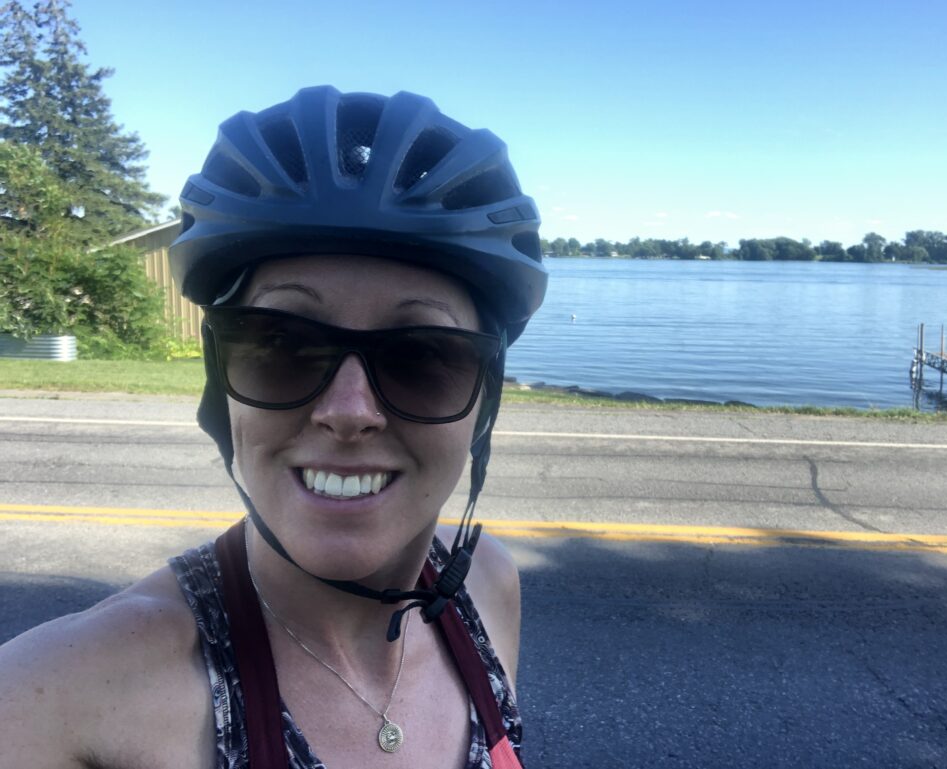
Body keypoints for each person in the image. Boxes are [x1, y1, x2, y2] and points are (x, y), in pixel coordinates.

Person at [0, 85, 547, 768]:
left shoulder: (488, 587)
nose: (349, 411)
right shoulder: (63, 700)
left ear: (484, 402)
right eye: (282, 346)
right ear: (219, 388)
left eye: (421, 356)